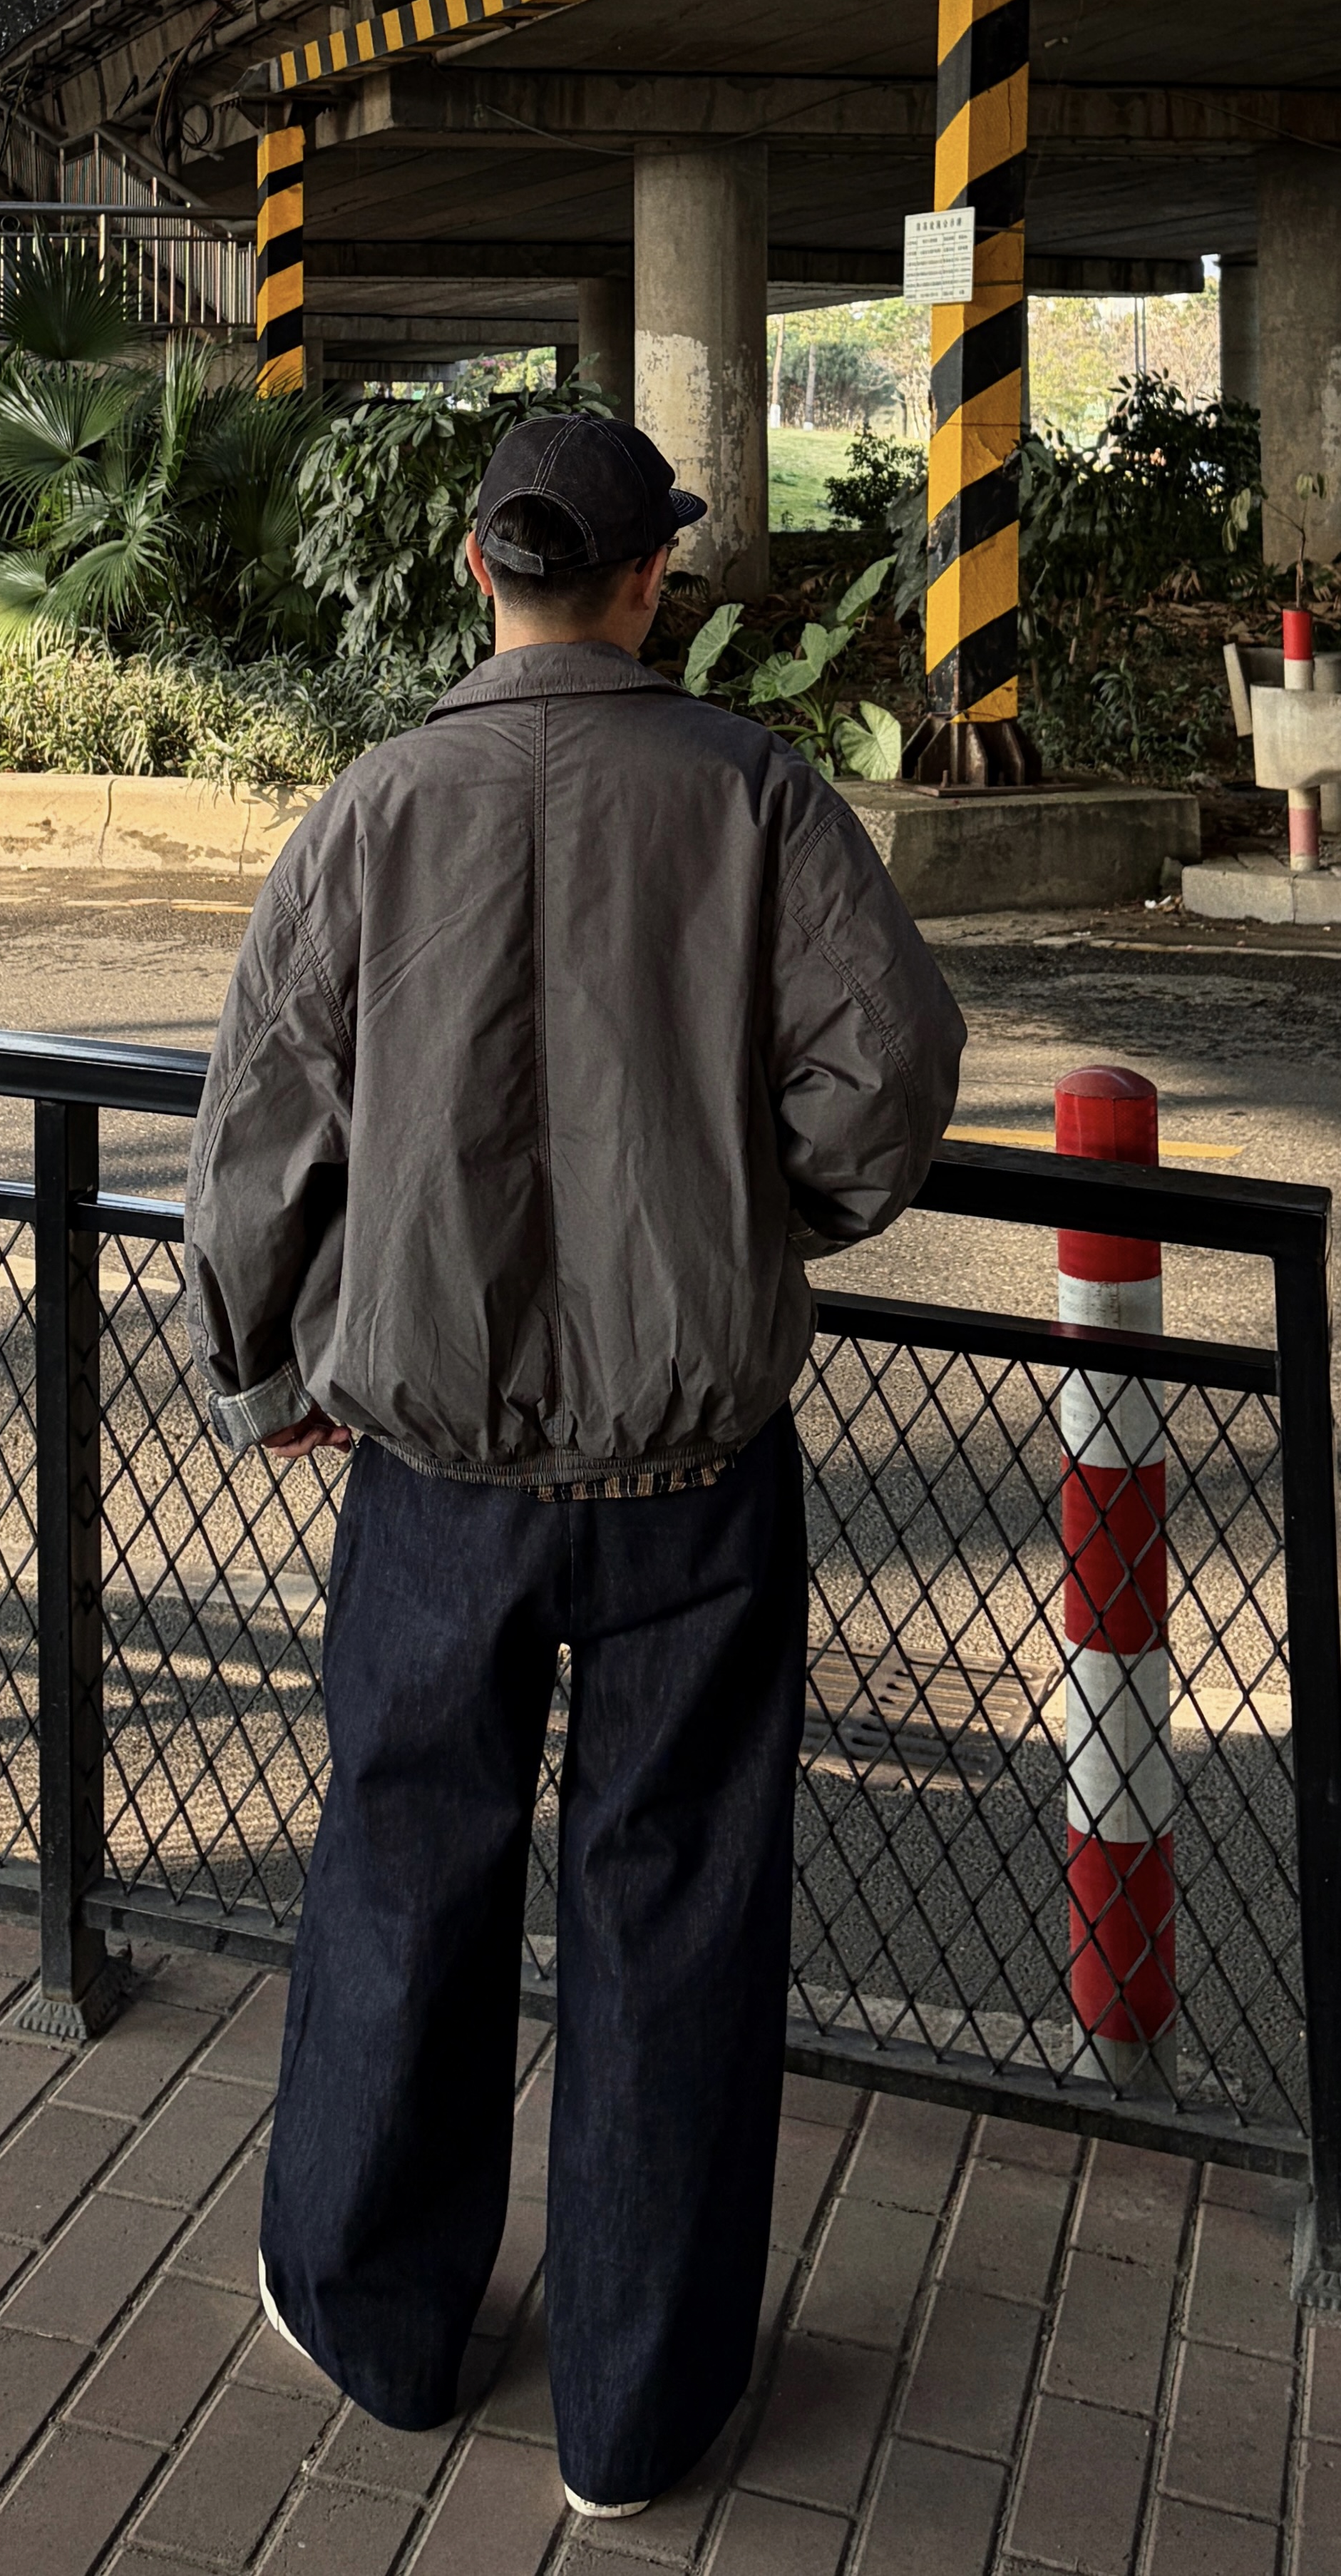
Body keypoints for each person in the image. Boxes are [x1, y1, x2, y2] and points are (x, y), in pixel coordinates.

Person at [184, 413, 964, 2515]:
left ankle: (377, 2321)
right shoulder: (755, 795)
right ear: (648, 583)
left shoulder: (373, 809)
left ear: (476, 569)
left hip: (432, 1468)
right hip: (693, 1468)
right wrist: (755, 1215)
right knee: (676, 1913)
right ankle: (637, 2407)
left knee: (403, 1870)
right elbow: (889, 1073)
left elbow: (261, 1126)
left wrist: (267, 1368)